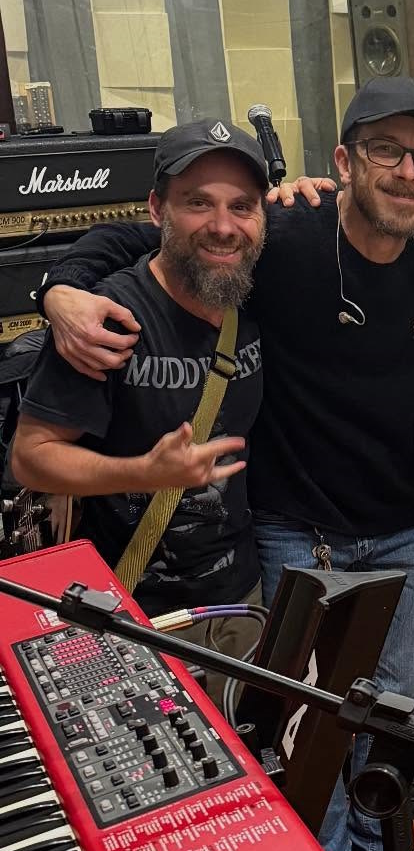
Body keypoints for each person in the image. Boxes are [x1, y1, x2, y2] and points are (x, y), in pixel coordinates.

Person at [38, 79, 414, 851]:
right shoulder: (288, 236)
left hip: (398, 530)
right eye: (386, 149)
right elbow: (149, 235)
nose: (406, 170)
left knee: (391, 716)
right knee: (308, 723)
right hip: (292, 529)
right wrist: (57, 288)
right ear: (345, 161)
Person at [12, 119, 267, 682]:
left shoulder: (252, 291)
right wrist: (144, 473)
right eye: (197, 203)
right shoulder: (104, 320)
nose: (223, 226)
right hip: (129, 612)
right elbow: (31, 456)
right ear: (157, 209)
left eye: (241, 206)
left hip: (241, 600)